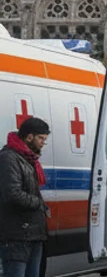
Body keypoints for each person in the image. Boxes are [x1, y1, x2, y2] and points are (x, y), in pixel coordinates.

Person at [0, 117, 51, 277]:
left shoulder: (28, 159)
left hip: (33, 232)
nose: (43, 143)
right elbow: (12, 193)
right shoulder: (9, 158)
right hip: (17, 234)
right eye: (41, 138)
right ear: (29, 137)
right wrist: (39, 204)